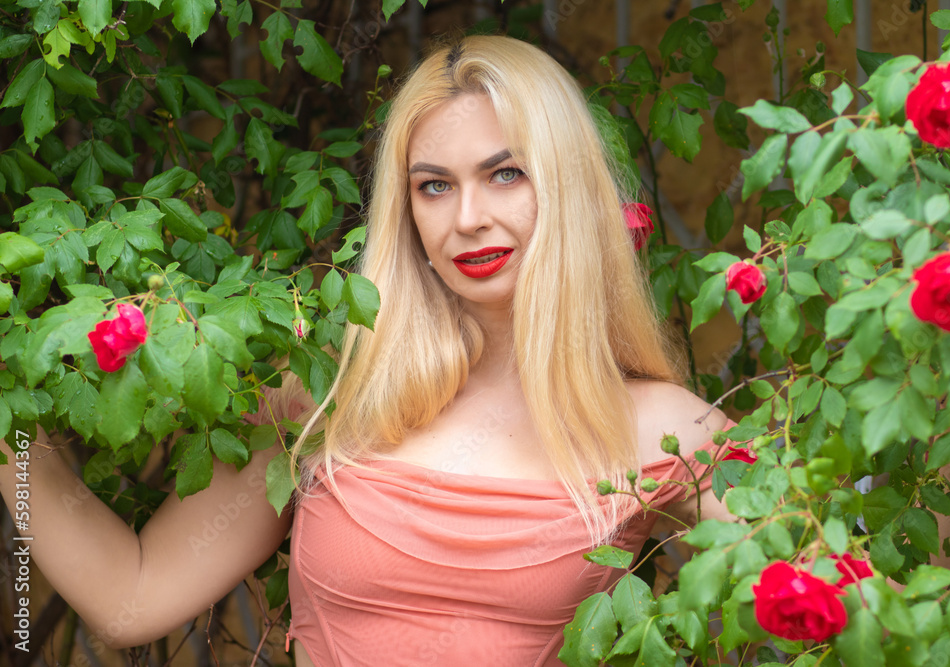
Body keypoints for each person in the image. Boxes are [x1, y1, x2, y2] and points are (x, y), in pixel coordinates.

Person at [0, 35, 733, 666]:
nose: (468, 218)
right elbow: (131, 596)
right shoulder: (330, 388)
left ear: (568, 189)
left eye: (505, 174)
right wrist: (10, 428)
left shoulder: (662, 431)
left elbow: (819, 596)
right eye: (435, 186)